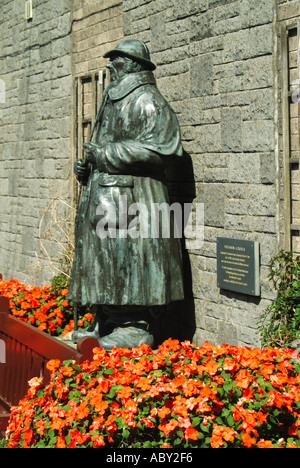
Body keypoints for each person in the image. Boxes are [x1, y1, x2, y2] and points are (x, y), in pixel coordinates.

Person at [67, 39, 184, 350]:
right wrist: (87, 167)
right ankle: (107, 319)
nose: (109, 66)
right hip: (108, 195)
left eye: (116, 61)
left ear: (133, 64)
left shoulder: (147, 99)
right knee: (103, 261)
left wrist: (106, 153)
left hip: (132, 198)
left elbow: (162, 151)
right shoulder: (113, 99)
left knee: (127, 261)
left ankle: (133, 326)